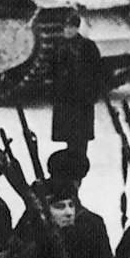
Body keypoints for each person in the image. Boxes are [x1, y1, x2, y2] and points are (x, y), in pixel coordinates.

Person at [50, 12, 102, 156]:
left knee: (80, 137)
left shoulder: (87, 46)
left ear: (77, 28)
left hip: (82, 98)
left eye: (71, 27)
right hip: (64, 98)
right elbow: (52, 70)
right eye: (66, 27)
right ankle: (71, 160)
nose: (68, 30)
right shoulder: (59, 45)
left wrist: (93, 93)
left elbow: (98, 70)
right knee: (68, 135)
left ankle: (80, 160)